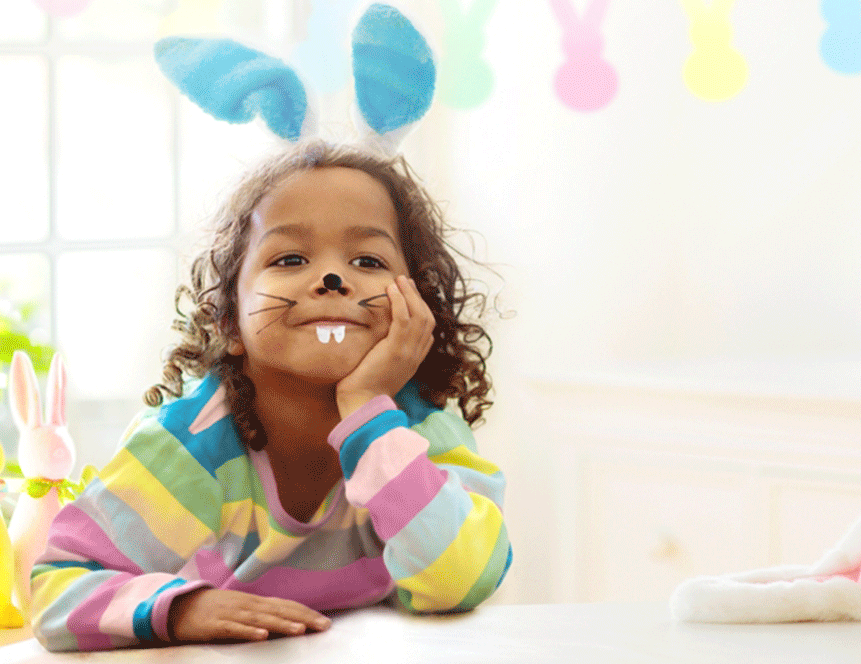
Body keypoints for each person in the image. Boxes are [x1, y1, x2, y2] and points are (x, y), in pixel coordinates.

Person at [28, 139, 511, 651]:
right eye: (290, 257)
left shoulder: (418, 430)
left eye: (367, 259)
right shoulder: (189, 449)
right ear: (228, 321)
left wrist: (370, 411)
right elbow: (59, 586)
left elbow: (462, 578)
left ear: (418, 307)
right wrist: (183, 608)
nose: (332, 279)